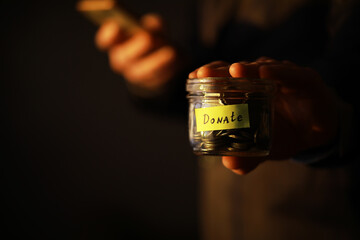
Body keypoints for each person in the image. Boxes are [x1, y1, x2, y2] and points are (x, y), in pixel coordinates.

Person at [95, 0, 359, 238]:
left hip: (317, 215)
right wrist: (160, 73)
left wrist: (335, 113)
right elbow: (197, 81)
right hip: (220, 217)